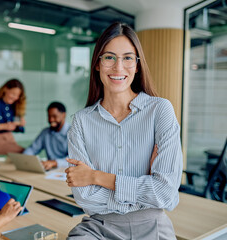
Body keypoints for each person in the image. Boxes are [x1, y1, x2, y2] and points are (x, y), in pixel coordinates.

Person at [65, 22, 183, 239]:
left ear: (137, 66)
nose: (118, 67)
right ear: (97, 64)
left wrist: (95, 176)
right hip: (98, 227)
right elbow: (84, 198)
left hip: (152, 226)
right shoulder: (81, 122)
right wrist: (145, 184)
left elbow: (165, 194)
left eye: (128, 58)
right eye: (109, 57)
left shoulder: (160, 110)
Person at [23, 102, 70, 170]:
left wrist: (54, 163)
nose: (51, 120)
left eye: (54, 116)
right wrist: (25, 158)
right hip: (50, 171)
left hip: (67, 171)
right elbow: (32, 149)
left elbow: (75, 159)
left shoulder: (73, 133)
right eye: (49, 116)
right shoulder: (45, 132)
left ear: (63, 115)